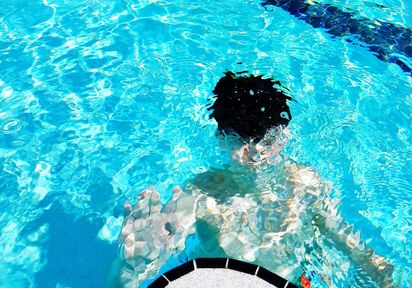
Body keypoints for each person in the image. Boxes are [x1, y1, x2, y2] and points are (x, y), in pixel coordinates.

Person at [107, 71, 395, 288]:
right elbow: (157, 247)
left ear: (284, 137)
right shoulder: (200, 196)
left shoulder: (305, 183)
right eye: (239, 141)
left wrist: (376, 268)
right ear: (220, 137)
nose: (255, 155)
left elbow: (342, 236)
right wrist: (130, 264)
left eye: (265, 141)